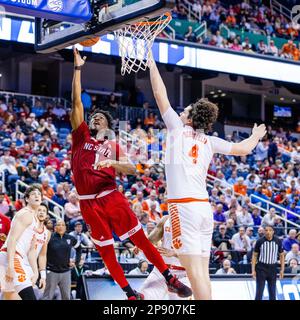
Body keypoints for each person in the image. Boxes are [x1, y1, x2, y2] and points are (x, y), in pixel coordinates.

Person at [70, 48, 192, 300]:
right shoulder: (80, 138)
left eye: (101, 118)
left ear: (108, 125)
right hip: (87, 204)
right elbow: (76, 103)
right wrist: (78, 68)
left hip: (110, 196)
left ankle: (169, 278)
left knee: (140, 240)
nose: (96, 119)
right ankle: (130, 294)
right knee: (106, 252)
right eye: (94, 117)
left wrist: (111, 163)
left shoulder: (113, 145)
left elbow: (131, 168)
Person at [149, 54, 266, 300]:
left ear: (190, 119)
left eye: (186, 111)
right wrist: (256, 135)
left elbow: (160, 95)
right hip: (203, 209)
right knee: (202, 274)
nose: (181, 112)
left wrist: (151, 62)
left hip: (184, 209)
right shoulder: (210, 141)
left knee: (195, 276)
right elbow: (243, 149)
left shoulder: (177, 129)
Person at [0, 184, 42, 300]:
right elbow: (12, 239)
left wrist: (35, 271)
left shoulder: (34, 218)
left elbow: (31, 250)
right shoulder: (26, 214)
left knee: (9, 297)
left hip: (16, 257)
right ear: (27, 199)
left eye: (39, 194)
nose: (37, 196)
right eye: (33, 194)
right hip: (12, 256)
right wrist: (10, 265)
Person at [139, 216, 192, 300]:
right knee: (143, 298)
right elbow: (151, 240)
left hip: (182, 274)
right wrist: (139, 245)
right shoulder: (165, 219)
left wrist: (175, 253)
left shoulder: (193, 222)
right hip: (161, 270)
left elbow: (199, 254)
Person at [42, 220, 78, 300]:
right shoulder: (49, 237)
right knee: (47, 297)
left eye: (63, 225)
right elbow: (42, 253)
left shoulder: (70, 238)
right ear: (55, 228)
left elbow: (79, 248)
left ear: (65, 227)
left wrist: (76, 261)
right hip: (51, 271)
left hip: (66, 272)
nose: (61, 226)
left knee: (66, 297)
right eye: (58, 225)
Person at [252, 226, 285, 300]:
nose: (268, 232)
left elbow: (282, 256)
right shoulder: (259, 241)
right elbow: (254, 256)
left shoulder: (278, 241)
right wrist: (253, 270)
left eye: (270, 230)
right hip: (261, 268)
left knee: (272, 293)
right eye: (266, 230)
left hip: (273, 268)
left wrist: (282, 270)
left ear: (273, 231)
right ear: (264, 231)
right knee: (259, 292)